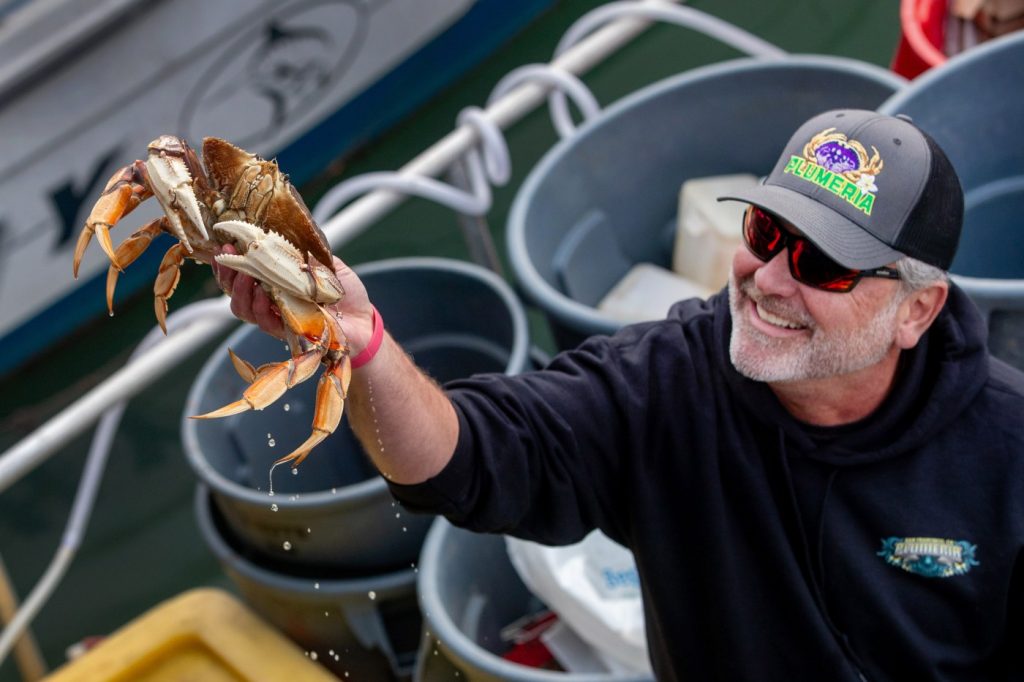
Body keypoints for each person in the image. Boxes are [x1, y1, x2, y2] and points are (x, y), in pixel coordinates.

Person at [214, 109, 1024, 681]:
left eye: (823, 265)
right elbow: (464, 462)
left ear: (916, 309)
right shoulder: (663, 383)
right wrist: (366, 348)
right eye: (766, 235)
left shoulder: (1008, 445)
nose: (768, 280)